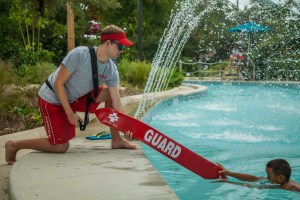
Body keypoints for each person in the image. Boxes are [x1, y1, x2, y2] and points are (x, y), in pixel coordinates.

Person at [5, 25, 136, 165]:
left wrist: (127, 126)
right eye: (120, 47)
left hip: (74, 98)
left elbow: (116, 103)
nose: (121, 51)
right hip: (52, 98)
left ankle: (116, 140)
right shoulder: (79, 54)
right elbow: (58, 84)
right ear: (108, 42)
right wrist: (69, 113)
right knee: (61, 146)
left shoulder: (111, 69)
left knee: (110, 93)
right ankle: (14, 145)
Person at [215, 159, 300, 192]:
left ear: (281, 177)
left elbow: (251, 186)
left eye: (269, 176)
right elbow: (254, 179)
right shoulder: (281, 182)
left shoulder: (290, 187)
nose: (267, 178)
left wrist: (228, 182)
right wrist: (229, 173)